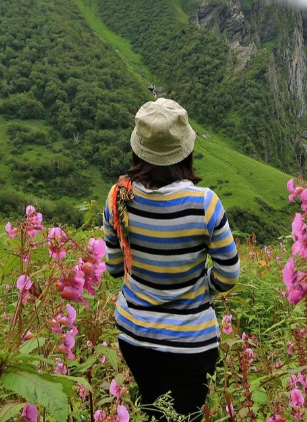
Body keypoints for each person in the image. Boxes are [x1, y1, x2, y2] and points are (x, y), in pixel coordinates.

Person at [102, 98, 239, 421]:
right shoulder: (204, 203)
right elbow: (229, 274)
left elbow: (113, 269)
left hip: (135, 337)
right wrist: (201, 288)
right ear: (186, 150)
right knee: (188, 414)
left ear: (138, 150)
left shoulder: (117, 197)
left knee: (153, 408)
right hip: (192, 343)